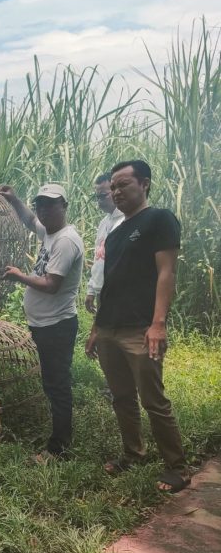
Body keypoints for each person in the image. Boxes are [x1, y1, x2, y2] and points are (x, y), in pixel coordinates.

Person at [85, 160, 189, 492]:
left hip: (140, 329)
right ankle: (134, 454)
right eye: (113, 187)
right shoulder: (115, 234)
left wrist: (158, 324)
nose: (116, 192)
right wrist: (96, 328)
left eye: (123, 185)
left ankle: (177, 467)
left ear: (144, 184)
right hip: (109, 328)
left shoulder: (159, 219)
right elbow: (110, 284)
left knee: (153, 400)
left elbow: (166, 273)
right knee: (121, 396)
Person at [0, 183, 84, 460]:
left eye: (51, 204)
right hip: (44, 324)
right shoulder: (49, 231)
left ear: (64, 206)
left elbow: (51, 285)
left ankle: (59, 448)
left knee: (57, 385)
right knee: (52, 382)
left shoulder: (65, 241)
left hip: (56, 326)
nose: (44, 210)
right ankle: (58, 435)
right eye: (40, 205)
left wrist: (19, 276)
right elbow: (29, 220)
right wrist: (14, 200)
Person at [84, 172, 124, 314]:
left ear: (116, 192)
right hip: (101, 292)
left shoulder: (125, 222)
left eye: (103, 196)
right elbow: (98, 259)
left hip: (119, 294)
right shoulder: (103, 223)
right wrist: (91, 290)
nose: (99, 201)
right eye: (97, 197)